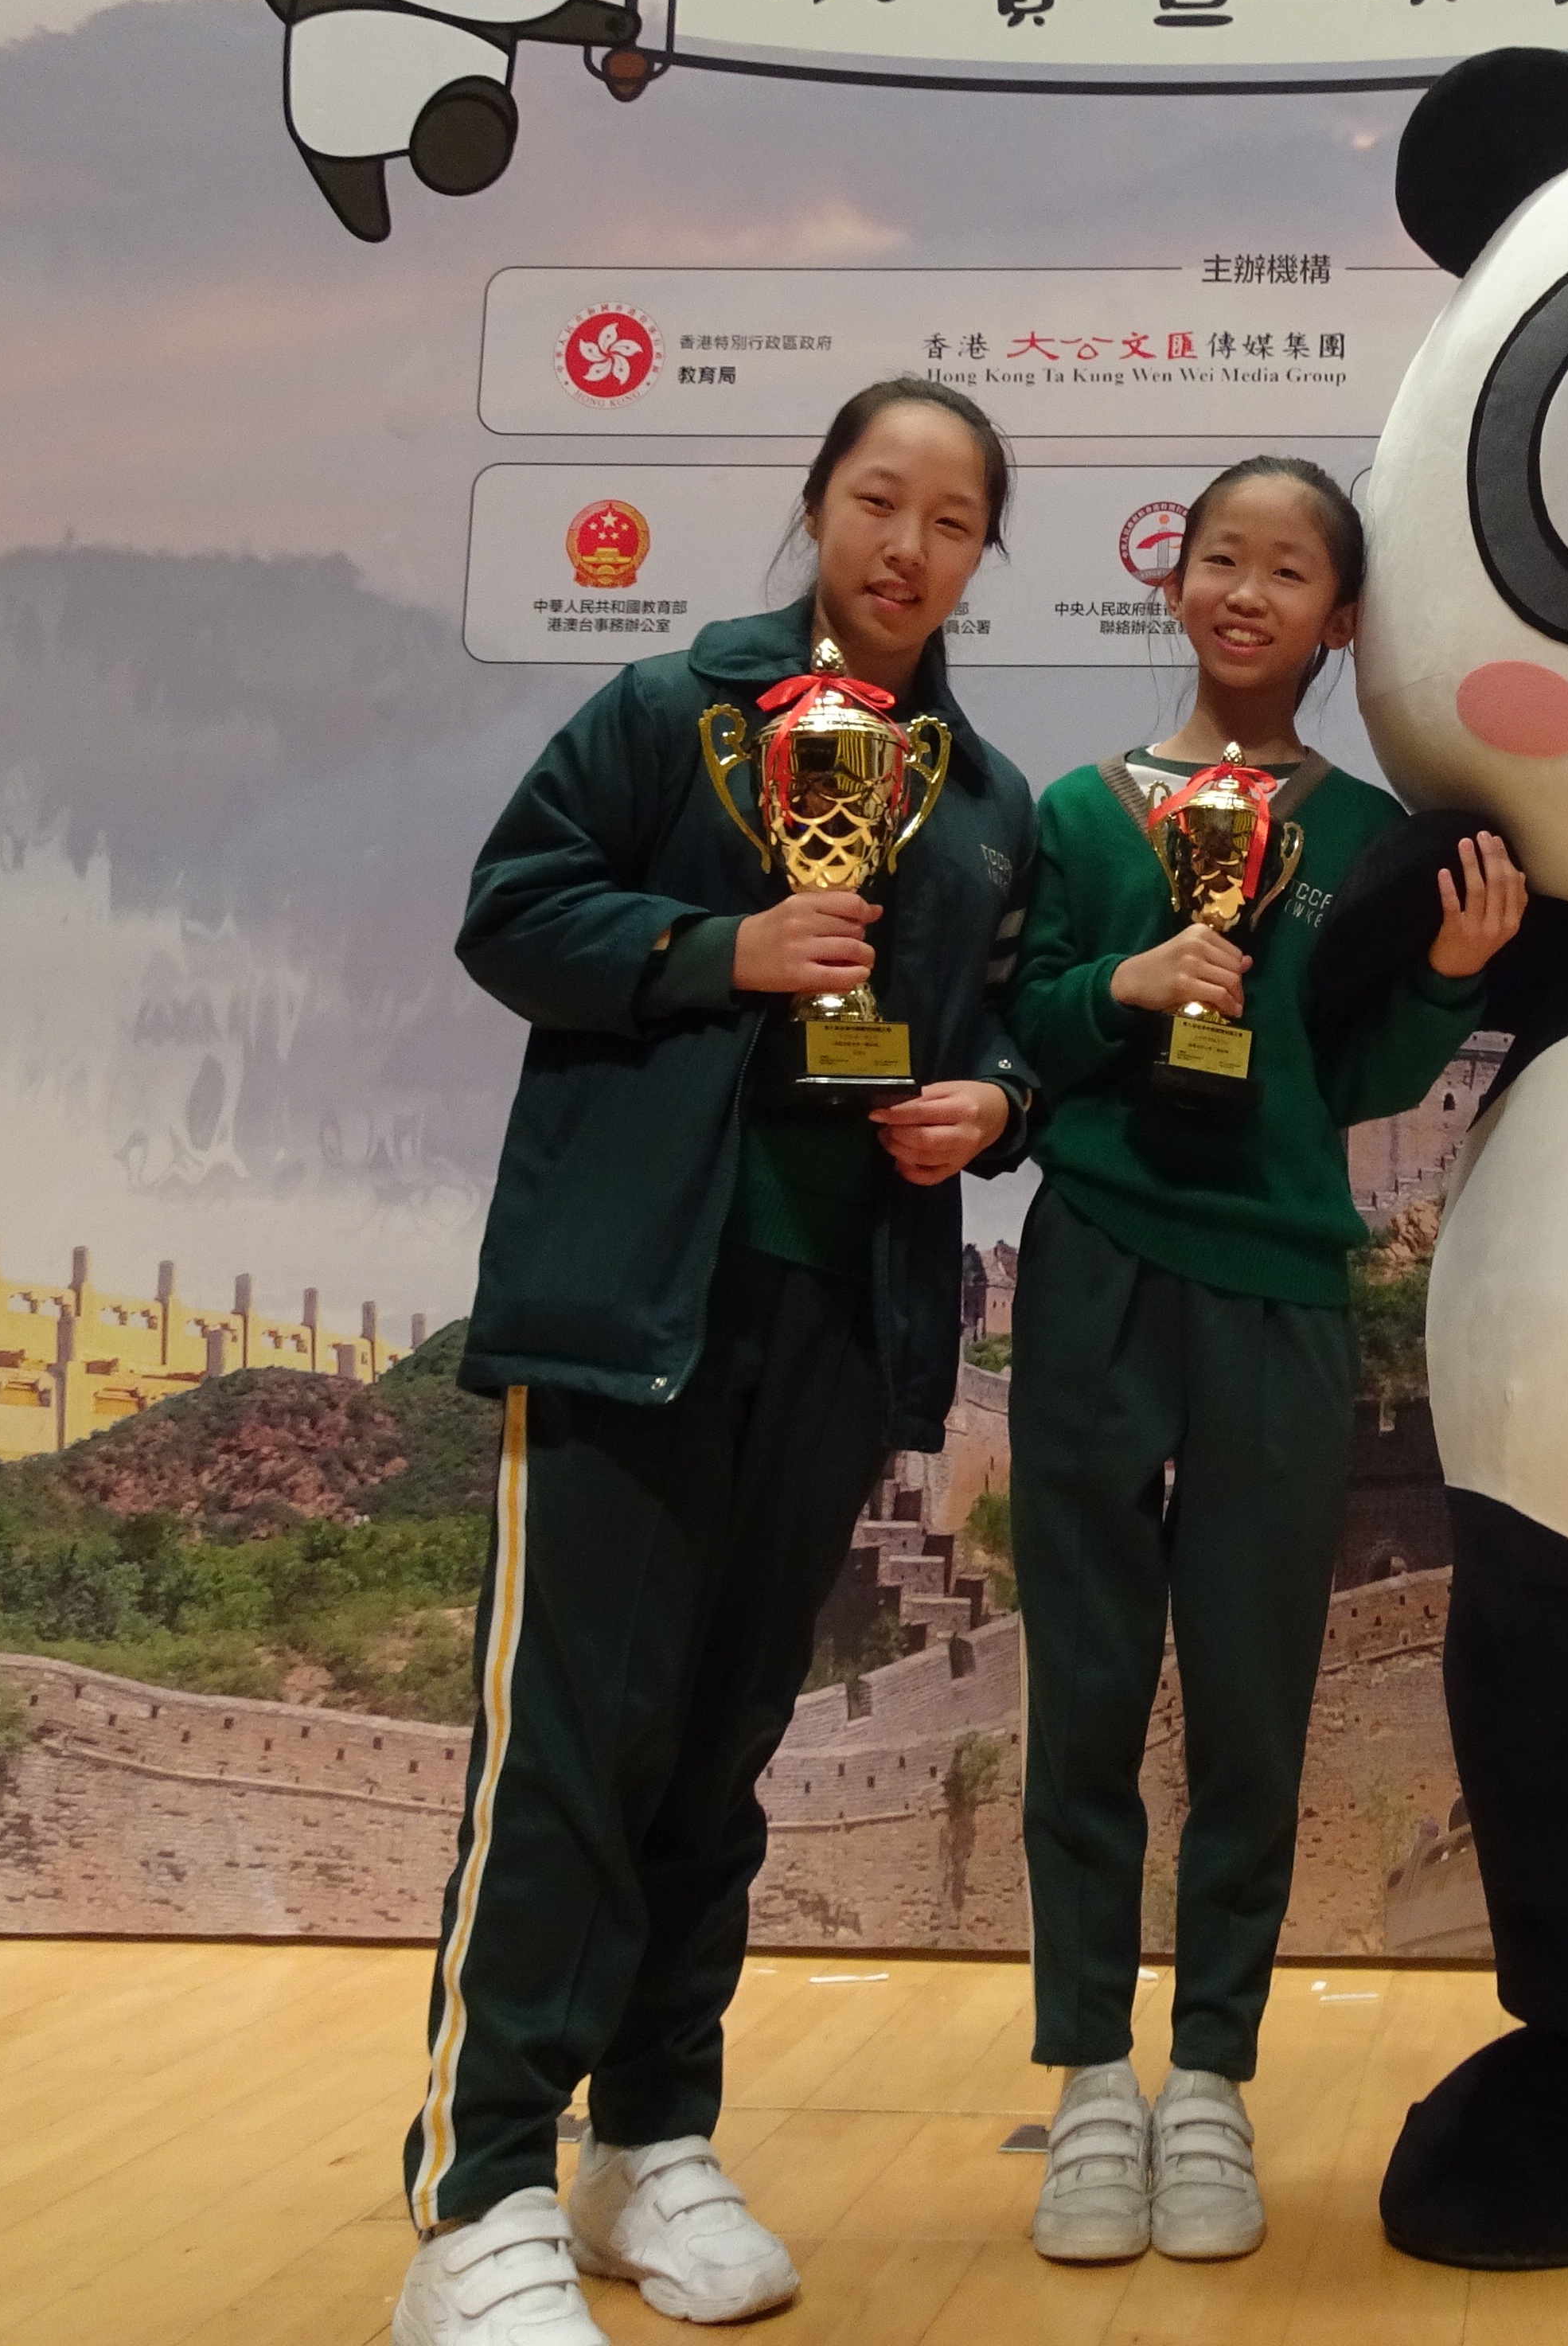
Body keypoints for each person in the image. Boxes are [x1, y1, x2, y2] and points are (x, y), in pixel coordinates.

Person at [395, 382, 1038, 2346]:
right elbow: (512, 915)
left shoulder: (984, 805)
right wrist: (720, 952)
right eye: (877, 500)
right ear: (819, 504)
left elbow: (1007, 1023)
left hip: (841, 1320)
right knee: (573, 1750)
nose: (907, 547)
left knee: (722, 1753)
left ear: (983, 556)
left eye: (950, 520)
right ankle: (480, 2196)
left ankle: (651, 2140)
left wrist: (990, 1105)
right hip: (629, 1313)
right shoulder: (671, 713)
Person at [1000, 455, 1528, 2266]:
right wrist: (1121, 987)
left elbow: (1361, 1077)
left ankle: (1212, 2075)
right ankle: (1090, 2075)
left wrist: (1449, 977)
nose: (1247, 593)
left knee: (1251, 1700)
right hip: (1097, 1265)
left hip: (1283, 1291)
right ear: (1176, 587)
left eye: (1289, 571)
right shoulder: (1081, 814)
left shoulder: (1374, 833)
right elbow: (1027, 1026)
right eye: (1221, 559)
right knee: (1084, 1692)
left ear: (1342, 619)